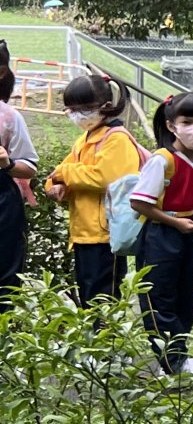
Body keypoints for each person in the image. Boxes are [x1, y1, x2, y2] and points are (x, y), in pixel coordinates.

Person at [132, 94, 193, 374]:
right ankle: (173, 362)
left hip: (187, 235)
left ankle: (177, 359)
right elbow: (139, 202)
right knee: (159, 297)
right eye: (188, 122)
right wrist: (176, 222)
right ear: (171, 126)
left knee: (185, 296)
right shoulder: (162, 160)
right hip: (160, 235)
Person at [46, 73, 143, 305]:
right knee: (90, 301)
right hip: (84, 234)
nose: (77, 115)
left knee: (102, 302)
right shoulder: (85, 139)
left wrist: (64, 175)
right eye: (72, 109)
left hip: (105, 235)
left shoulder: (116, 139)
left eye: (85, 108)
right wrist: (56, 185)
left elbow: (104, 177)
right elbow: (60, 173)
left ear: (106, 106)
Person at [0, 52, 40, 302]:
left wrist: (8, 163)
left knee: (4, 280)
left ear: (1, 72)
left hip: (3, 206)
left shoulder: (9, 117)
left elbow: (29, 167)